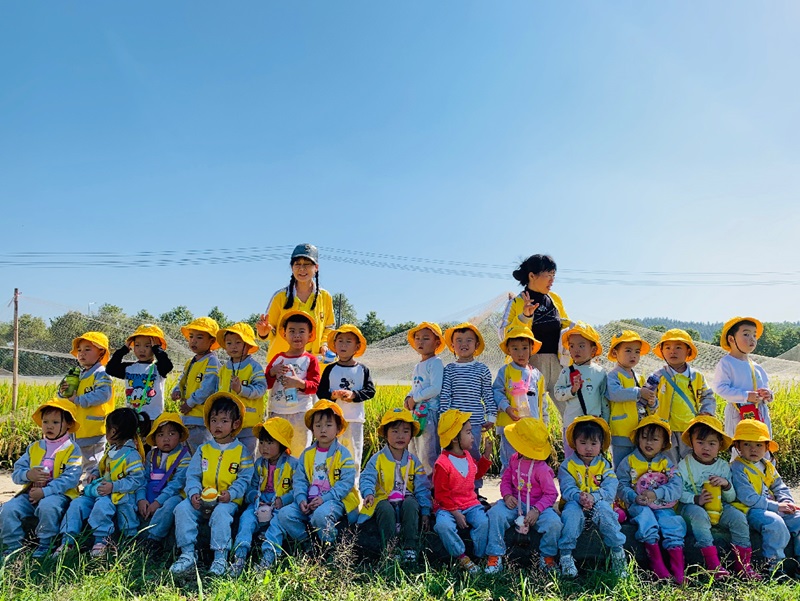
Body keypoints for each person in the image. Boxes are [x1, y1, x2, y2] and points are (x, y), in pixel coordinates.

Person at [264, 400, 360, 568]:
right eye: (318, 425)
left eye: (328, 425)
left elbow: (346, 482)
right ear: (312, 429)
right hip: (309, 500)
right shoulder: (307, 454)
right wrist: (301, 498)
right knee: (285, 514)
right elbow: (300, 479)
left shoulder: (343, 454)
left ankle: (330, 548)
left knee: (321, 515)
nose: (323, 429)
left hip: (333, 500)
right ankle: (308, 545)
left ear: (338, 429)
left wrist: (325, 499)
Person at [170, 393, 255, 578]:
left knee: (221, 514)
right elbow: (192, 475)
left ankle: (220, 557)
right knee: (182, 509)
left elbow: (245, 478)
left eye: (224, 421)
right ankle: (187, 554)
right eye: (214, 420)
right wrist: (193, 493)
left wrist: (231, 494)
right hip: (202, 497)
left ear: (235, 424)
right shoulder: (204, 449)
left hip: (227, 500)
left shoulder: (242, 451)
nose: (218, 425)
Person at [56, 408, 147, 557]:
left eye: (107, 428)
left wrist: (114, 486)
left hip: (115, 495)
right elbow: (103, 467)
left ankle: (101, 540)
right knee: (77, 505)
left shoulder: (132, 455)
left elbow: (137, 479)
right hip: (101, 491)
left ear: (113, 431)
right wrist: (94, 474)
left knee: (102, 506)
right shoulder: (112, 449)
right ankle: (67, 540)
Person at [677, 415, 759, 580]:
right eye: (700, 443)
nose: (705, 448)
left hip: (719, 507)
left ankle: (743, 564)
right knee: (699, 516)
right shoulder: (684, 465)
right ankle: (713, 563)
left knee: (738, 517)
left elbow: (730, 498)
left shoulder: (722, 466)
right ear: (691, 443)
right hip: (693, 507)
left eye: (711, 444)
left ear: (720, 445)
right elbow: (677, 491)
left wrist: (726, 485)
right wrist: (695, 499)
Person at [0, 398, 82, 558]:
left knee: (48, 507)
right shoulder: (35, 447)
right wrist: (28, 474)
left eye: (55, 422)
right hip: (31, 494)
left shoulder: (72, 449)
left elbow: (71, 478)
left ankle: (45, 545)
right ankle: (13, 547)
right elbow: (17, 473)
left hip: (59, 495)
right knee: (8, 509)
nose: (49, 426)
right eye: (45, 421)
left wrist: (45, 491)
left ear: (68, 424)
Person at [485, 418, 561, 574]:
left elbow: (551, 493)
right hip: (514, 504)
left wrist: (537, 510)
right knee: (495, 513)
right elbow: (506, 480)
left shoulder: (542, 469)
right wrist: (506, 496)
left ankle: (547, 558)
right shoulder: (515, 459)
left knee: (554, 523)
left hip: (537, 507)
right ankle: (495, 555)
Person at [616, 416, 685, 584]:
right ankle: (657, 565)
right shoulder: (629, 461)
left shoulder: (666, 463)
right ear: (638, 438)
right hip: (638, 504)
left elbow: (677, 486)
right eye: (644, 437)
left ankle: (678, 569)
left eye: (655, 439)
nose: (649, 442)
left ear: (663, 444)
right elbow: (619, 485)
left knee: (672, 524)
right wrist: (633, 497)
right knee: (646, 519)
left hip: (663, 505)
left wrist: (658, 493)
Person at [557, 416, 627, 579]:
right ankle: (566, 555)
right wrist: (579, 496)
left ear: (601, 445)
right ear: (574, 443)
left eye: (594, 444)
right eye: (583, 443)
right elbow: (567, 488)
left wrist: (594, 497)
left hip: (599, 502)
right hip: (574, 502)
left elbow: (610, 489)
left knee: (606, 513)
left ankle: (617, 553)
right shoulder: (567, 466)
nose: (588, 448)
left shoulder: (605, 466)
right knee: (571, 515)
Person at [358, 408, 431, 563]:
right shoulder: (377, 459)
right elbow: (367, 477)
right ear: (385, 433)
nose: (400, 436)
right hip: (382, 499)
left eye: (405, 431)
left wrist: (425, 510)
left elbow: (422, 487)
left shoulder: (414, 461)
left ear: (411, 435)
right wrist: (368, 492)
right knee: (384, 508)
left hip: (406, 499)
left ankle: (409, 547)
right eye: (395, 431)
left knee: (411, 503)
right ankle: (390, 549)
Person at [500, 254, 570, 414]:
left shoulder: (555, 299)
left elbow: (565, 325)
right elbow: (504, 333)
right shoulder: (516, 302)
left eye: (554, 275)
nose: (552, 280)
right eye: (549, 275)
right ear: (532, 276)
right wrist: (525, 317)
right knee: (533, 412)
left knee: (570, 410)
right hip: (530, 363)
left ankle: (571, 439)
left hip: (559, 362)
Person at [730, 419, 800, 578]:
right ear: (738, 446)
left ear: (767, 447)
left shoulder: (768, 465)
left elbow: (779, 486)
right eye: (747, 444)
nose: (753, 449)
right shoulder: (738, 467)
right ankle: (773, 567)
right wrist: (777, 507)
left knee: (798, 519)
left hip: (774, 506)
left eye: (759, 445)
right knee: (774, 523)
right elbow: (747, 498)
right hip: (752, 510)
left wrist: (786, 502)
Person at [231, 417, 296, 576]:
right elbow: (251, 486)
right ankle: (239, 556)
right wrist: (254, 498)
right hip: (259, 502)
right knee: (246, 519)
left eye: (270, 443)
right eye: (262, 442)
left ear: (282, 444)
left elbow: (299, 489)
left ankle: (268, 558)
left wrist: (284, 500)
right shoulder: (259, 464)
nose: (264, 447)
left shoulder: (293, 464)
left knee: (276, 524)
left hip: (280, 504)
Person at [432, 409, 493, 574]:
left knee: (483, 522)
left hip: (470, 503)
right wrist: (455, 513)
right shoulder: (443, 464)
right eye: (468, 432)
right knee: (443, 525)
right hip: (448, 507)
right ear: (454, 438)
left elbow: (476, 473)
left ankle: (479, 556)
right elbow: (441, 494)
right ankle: (461, 556)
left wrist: (487, 453)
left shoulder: (467, 456)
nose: (472, 436)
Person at [439, 322, 495, 494]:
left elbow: (487, 394)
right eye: (459, 340)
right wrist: (444, 419)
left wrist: (491, 416)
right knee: (451, 455)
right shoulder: (449, 369)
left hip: (475, 422)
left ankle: (474, 491)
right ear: (452, 346)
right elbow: (445, 395)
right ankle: (452, 489)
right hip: (454, 424)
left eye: (469, 340)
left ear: (476, 345)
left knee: (473, 455)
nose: (464, 344)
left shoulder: (482, 369)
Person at [256, 243, 335, 364]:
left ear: (316, 267)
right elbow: (271, 330)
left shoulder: (325, 297)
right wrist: (263, 333)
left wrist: (324, 344)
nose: (302, 269)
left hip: (313, 365)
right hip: (281, 364)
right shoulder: (280, 297)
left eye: (307, 264)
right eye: (297, 264)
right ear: (292, 267)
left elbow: (329, 327)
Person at [651, 329, 716, 463]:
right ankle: (673, 484)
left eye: (678, 347)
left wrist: (706, 412)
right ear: (662, 351)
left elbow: (708, 396)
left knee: (691, 462)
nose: (672, 351)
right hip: (666, 429)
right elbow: (645, 397)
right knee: (669, 462)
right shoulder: (657, 376)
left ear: (688, 351)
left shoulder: (696, 376)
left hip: (690, 430)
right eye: (667, 347)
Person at [317, 324, 375, 473]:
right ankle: (328, 485)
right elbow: (321, 391)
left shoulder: (362, 369)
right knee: (331, 455)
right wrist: (332, 395)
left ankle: (353, 487)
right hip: (332, 421)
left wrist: (354, 395)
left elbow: (370, 391)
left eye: (348, 341)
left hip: (354, 420)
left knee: (353, 455)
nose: (343, 345)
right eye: (340, 341)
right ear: (334, 345)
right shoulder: (330, 369)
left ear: (356, 347)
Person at [265, 311, 321, 457]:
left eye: (301, 331)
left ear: (309, 335)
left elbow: (315, 385)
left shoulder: (311, 360)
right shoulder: (277, 359)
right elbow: (265, 383)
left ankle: (298, 479)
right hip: (277, 412)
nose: (296, 335)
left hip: (300, 413)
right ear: (284, 334)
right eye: (292, 331)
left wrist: (299, 383)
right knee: (275, 451)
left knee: (300, 451)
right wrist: (272, 372)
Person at [492, 326, 547, 471]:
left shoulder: (537, 375)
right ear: (508, 350)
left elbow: (543, 401)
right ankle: (508, 492)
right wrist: (506, 407)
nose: (520, 353)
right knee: (510, 460)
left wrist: (543, 424)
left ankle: (527, 491)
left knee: (531, 462)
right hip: (511, 426)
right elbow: (497, 391)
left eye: (524, 348)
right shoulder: (505, 371)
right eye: (515, 348)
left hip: (531, 427)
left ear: (531, 349)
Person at [136, 413, 191, 554]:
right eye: (160, 435)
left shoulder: (184, 456)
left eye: (172, 434)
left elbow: (177, 483)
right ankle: (130, 534)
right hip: (152, 490)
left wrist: (158, 502)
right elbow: (144, 478)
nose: (166, 439)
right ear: (154, 438)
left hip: (175, 494)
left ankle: (153, 539)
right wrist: (141, 498)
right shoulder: (151, 455)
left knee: (170, 505)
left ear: (180, 436)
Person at [712, 317, 774, 440]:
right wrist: (746, 396)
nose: (752, 339)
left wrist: (768, 395)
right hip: (738, 411)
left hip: (759, 411)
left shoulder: (756, 366)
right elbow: (720, 388)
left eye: (754, 335)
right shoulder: (726, 363)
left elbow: (765, 386)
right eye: (746, 334)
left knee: (762, 444)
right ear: (731, 339)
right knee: (740, 446)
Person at [62, 331, 114, 476]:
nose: (81, 354)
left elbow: (103, 394)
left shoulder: (101, 373)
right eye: (79, 350)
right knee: (78, 462)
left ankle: (91, 491)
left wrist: (79, 400)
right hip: (79, 429)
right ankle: (79, 488)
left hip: (94, 428)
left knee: (92, 463)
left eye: (87, 349)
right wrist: (64, 392)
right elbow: (68, 397)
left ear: (101, 352)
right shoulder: (79, 374)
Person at [553, 322, 609, 458]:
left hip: (594, 424)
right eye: (572, 346)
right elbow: (557, 393)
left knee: (594, 458)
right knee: (572, 457)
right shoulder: (567, 372)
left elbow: (604, 399)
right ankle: (570, 480)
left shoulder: (600, 372)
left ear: (593, 350)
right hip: (572, 424)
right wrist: (572, 390)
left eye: (581, 346)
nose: (576, 350)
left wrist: (605, 423)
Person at [215, 322, 267, 456]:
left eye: (238, 342)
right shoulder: (224, 369)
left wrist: (241, 389)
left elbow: (261, 389)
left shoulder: (254, 367)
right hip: (227, 426)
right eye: (229, 343)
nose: (233, 347)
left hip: (247, 425)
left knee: (246, 459)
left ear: (249, 345)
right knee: (228, 457)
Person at [170, 317, 221, 452]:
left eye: (199, 337)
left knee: (202, 453)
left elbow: (207, 388)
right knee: (186, 455)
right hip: (187, 419)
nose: (193, 341)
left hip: (201, 420)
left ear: (211, 341)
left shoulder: (212, 361)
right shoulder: (190, 362)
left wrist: (190, 403)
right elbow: (183, 380)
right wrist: (177, 391)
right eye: (191, 336)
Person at [606, 330, 656, 467]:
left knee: (636, 466)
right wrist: (639, 392)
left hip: (639, 431)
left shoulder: (638, 377)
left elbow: (644, 402)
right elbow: (614, 393)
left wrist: (652, 402)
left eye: (637, 352)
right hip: (622, 431)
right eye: (628, 351)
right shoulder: (614, 375)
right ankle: (621, 489)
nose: (633, 355)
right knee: (621, 465)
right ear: (615, 353)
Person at [106, 324, 173, 424]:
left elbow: (167, 366)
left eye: (148, 346)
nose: (142, 350)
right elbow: (110, 369)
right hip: (133, 418)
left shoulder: (157, 368)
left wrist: (157, 349)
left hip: (153, 417)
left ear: (156, 347)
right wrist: (123, 350)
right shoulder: (129, 368)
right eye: (137, 345)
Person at [403, 322, 445, 476]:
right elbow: (416, 387)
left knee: (428, 451)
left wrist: (415, 398)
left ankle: (431, 486)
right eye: (418, 338)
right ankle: (417, 483)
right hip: (416, 414)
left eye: (426, 338)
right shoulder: (418, 366)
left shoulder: (436, 363)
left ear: (437, 342)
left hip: (429, 413)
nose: (420, 342)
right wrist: (409, 397)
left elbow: (435, 388)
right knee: (414, 449)